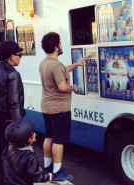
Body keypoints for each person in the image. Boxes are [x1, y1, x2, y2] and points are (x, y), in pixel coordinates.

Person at [39, 32, 86, 181]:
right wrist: (74, 87)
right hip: (59, 109)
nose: (61, 45)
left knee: (49, 137)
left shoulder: (45, 63)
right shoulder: (56, 65)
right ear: (56, 47)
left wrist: (77, 64)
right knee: (59, 140)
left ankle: (47, 167)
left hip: (47, 107)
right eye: (60, 43)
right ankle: (57, 172)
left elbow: (61, 71)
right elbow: (62, 86)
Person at [0, 41, 26, 185]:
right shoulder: (13, 74)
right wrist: (19, 126)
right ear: (11, 57)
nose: (20, 57)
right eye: (19, 54)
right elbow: (15, 103)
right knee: (9, 157)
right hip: (6, 121)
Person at [3, 118, 56, 185]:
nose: (35, 134)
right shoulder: (29, 157)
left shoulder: (8, 148)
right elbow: (35, 175)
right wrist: (48, 176)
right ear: (29, 140)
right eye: (33, 133)